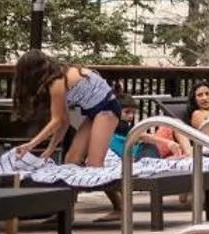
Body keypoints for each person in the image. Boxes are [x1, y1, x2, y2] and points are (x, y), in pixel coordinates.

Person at [15, 52, 143, 166]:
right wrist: (50, 148)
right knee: (71, 161)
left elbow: (56, 121)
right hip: (95, 112)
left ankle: (124, 192)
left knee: (94, 163)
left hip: (107, 109)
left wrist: (31, 145)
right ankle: (114, 193)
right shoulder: (58, 79)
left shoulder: (57, 83)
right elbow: (64, 121)